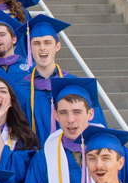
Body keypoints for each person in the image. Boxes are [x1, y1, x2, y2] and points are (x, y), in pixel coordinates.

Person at [13, 13, 104, 143]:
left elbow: (95, 128)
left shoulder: (76, 87)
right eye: (36, 43)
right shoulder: (20, 89)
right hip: (34, 153)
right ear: (30, 49)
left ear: (57, 47)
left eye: (48, 43)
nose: (42, 48)